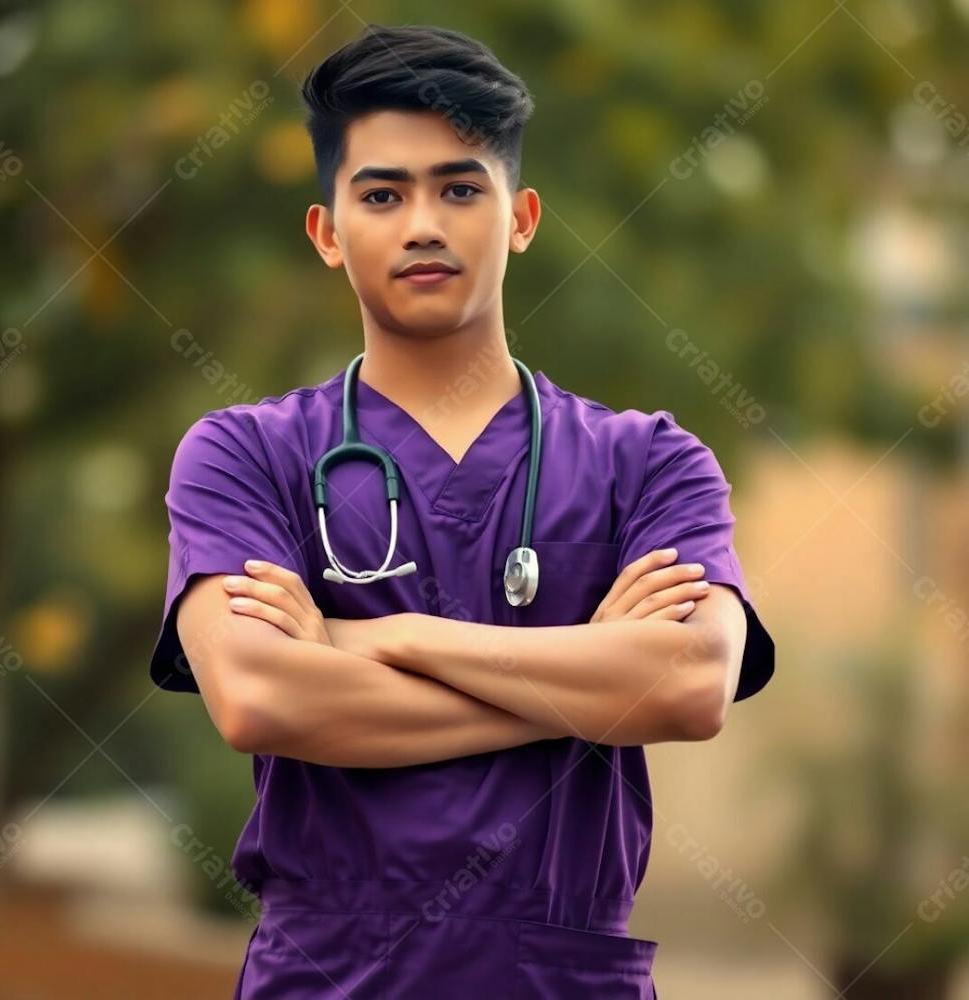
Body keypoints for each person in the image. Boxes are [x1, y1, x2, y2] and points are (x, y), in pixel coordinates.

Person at [149, 23, 775, 1000]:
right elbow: (262, 698)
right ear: (326, 231)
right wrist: (583, 691)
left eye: (460, 188)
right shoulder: (243, 456)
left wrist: (374, 638)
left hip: (560, 974)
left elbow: (690, 684)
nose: (423, 224)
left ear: (521, 216)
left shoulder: (647, 461)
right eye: (383, 194)